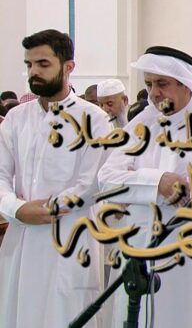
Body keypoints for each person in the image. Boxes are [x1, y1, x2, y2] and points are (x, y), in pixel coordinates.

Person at [97, 46, 192, 328]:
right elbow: (107, 178)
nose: (154, 92)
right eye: (149, 85)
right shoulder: (143, 123)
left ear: (185, 84)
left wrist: (134, 184)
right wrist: (158, 182)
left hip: (186, 253)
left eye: (162, 83)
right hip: (137, 244)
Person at [0, 29, 111, 327]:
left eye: (43, 64)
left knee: (66, 316)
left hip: (70, 241)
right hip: (20, 238)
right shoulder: (16, 119)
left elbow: (91, 183)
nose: (33, 72)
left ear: (68, 66)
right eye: (29, 65)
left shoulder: (94, 119)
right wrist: (16, 208)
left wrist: (48, 209)